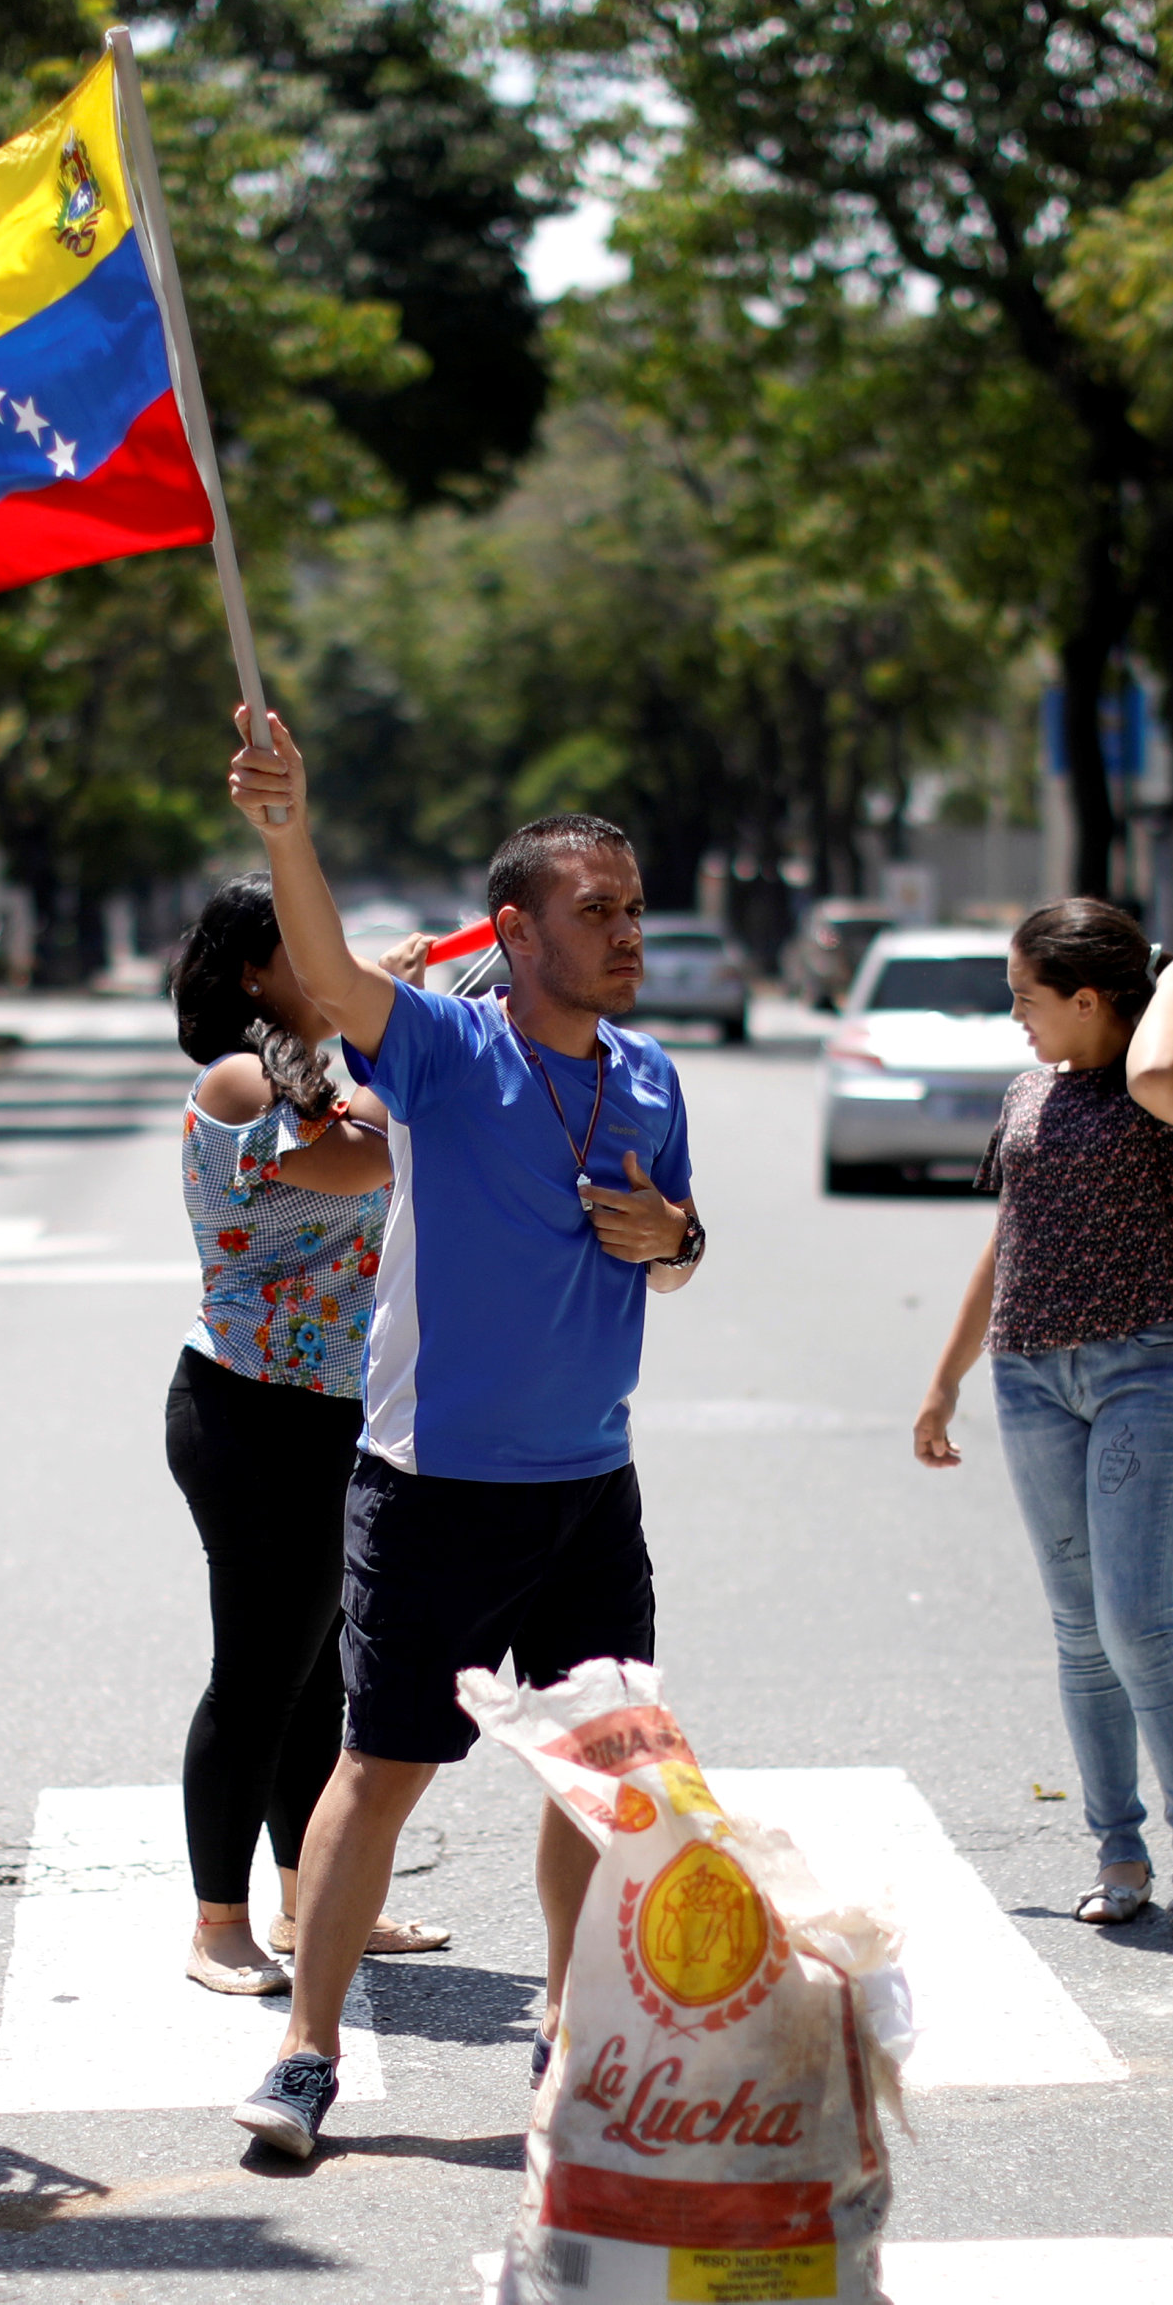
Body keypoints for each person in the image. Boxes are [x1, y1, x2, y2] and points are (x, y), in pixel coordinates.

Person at [218, 708, 703, 2160]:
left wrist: (673, 1232)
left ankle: (566, 2018)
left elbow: (676, 1257)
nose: (627, 932)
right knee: (381, 1764)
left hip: (590, 1486)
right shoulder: (443, 1048)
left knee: (598, 1771)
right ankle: (307, 2051)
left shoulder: (654, 1074)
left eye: (633, 907)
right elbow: (327, 972)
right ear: (518, 925)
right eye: (596, 908)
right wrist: (286, 827)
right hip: (434, 1485)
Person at [911, 900, 1173, 1938]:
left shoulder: (1163, 1084)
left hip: (1145, 1364)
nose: (1014, 1017)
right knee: (1075, 1629)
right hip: (1027, 1377)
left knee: (1134, 1618)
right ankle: (1117, 1848)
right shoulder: (1027, 1090)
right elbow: (1006, 1240)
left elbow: (1148, 1074)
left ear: (1091, 1000)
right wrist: (945, 1376)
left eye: (1026, 998)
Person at [163, 878, 450, 1994]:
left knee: (318, 1671)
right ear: (253, 974)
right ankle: (215, 1925)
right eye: (310, 952)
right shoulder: (237, 1078)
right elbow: (359, 1158)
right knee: (255, 1675)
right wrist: (399, 1017)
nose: (332, 969)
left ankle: (306, 1901)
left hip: (330, 1410)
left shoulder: (311, 1078)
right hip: (247, 1409)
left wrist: (390, 1018)